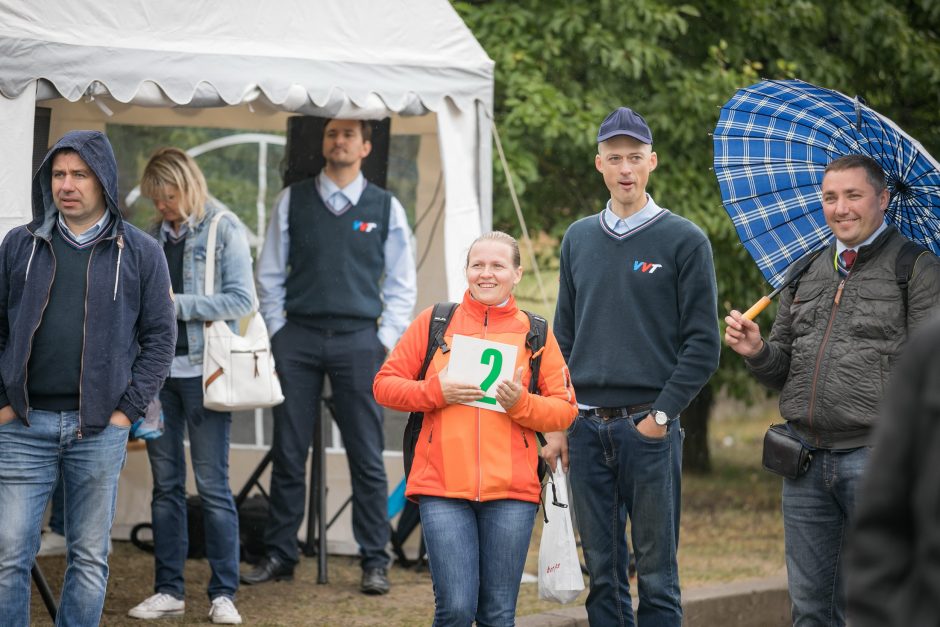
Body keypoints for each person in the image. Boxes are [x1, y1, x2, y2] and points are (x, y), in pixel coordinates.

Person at [724, 153, 940, 625]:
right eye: (830, 197)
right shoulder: (804, 270)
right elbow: (780, 368)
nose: (840, 208)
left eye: (853, 195)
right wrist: (757, 349)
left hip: (879, 462)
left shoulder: (916, 268)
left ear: (882, 199)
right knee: (810, 610)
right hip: (803, 463)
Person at [541, 107, 720, 626]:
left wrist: (659, 419)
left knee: (658, 578)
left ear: (652, 162)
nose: (625, 168)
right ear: (599, 164)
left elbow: (703, 346)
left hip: (650, 431)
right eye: (615, 158)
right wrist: (561, 422)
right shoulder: (578, 238)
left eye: (635, 158)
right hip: (585, 428)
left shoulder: (685, 240)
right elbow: (564, 341)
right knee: (604, 574)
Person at [0, 130, 176, 626]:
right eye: (58, 174)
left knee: (89, 558)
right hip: (22, 426)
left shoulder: (141, 252)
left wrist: (125, 412)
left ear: (103, 181)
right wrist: (3, 403)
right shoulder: (20, 245)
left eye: (79, 174)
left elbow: (161, 340)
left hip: (98, 429)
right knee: (8, 557)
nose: (67, 184)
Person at [246, 118, 417, 594]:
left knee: (365, 452)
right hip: (297, 338)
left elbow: (403, 282)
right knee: (288, 449)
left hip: (359, 340)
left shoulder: (385, 206)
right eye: (331, 134)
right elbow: (271, 273)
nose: (338, 141)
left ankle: (373, 558)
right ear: (323, 143)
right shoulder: (293, 199)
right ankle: (281, 554)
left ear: (365, 146)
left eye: (348, 135)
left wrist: (385, 338)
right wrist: (278, 332)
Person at [374, 231, 577, 624]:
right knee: (455, 608)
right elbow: (384, 385)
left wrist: (522, 404)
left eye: (498, 265)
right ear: (466, 270)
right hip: (441, 487)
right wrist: (437, 391)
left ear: (516, 274)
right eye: (477, 265)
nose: (486, 274)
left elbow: (565, 411)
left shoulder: (536, 332)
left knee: (498, 613)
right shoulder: (435, 321)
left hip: (512, 493)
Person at [127, 148, 255, 624]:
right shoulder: (150, 238)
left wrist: (175, 304)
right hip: (158, 377)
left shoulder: (224, 227)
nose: (163, 207)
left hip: (207, 375)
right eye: (157, 199)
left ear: (189, 185)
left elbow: (242, 298)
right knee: (165, 488)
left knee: (214, 486)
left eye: (170, 196)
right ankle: (168, 590)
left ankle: (223, 594)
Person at [844, 315, 940, 626]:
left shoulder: (911, 270)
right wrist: (760, 352)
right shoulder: (931, 352)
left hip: (864, 442)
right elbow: (883, 534)